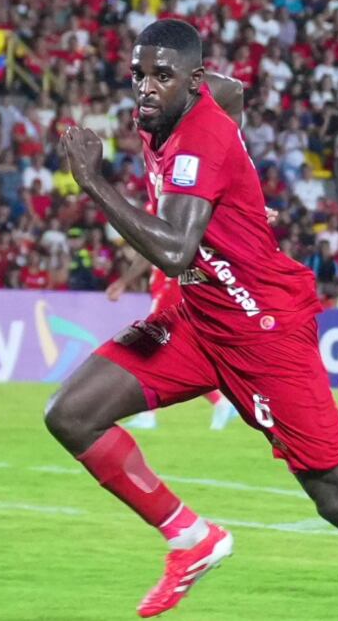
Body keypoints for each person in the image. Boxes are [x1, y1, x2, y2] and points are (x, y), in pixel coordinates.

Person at [46, 20, 338, 618]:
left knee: (337, 498)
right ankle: (191, 539)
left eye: (163, 76)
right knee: (71, 414)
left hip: (263, 328)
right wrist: (242, 189)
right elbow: (231, 94)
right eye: (140, 75)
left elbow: (176, 250)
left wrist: (93, 181)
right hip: (196, 318)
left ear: (192, 80)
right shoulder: (176, 110)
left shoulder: (200, 136)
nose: (147, 88)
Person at [105, 72, 247, 432]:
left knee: (149, 343)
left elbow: (151, 253)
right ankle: (218, 401)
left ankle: (157, 412)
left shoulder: (176, 196)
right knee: (169, 349)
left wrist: (123, 282)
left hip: (173, 282)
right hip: (165, 281)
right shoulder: (163, 190)